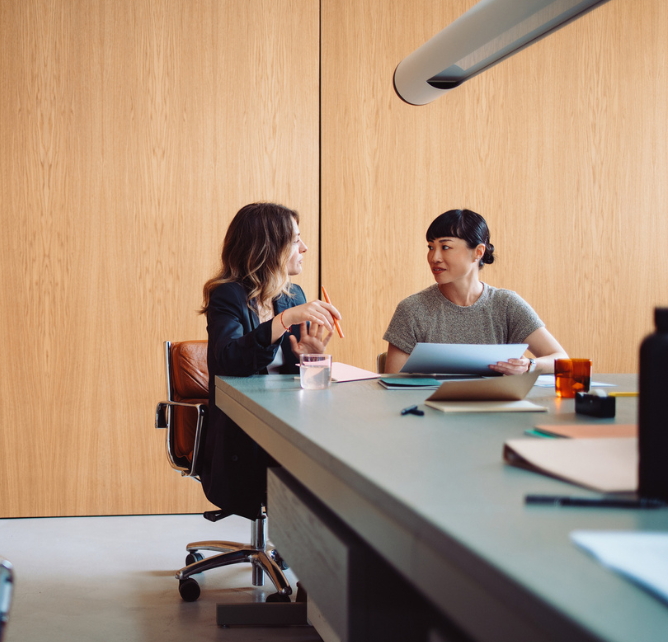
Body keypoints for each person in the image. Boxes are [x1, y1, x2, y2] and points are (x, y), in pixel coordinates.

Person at [199, 202, 341, 519]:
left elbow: (305, 387)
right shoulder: (227, 296)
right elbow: (229, 360)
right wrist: (282, 321)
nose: (304, 248)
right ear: (269, 247)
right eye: (295, 241)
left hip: (289, 425)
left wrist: (312, 360)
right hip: (244, 433)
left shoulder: (294, 296)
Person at [383, 208, 567, 375]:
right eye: (431, 247)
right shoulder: (411, 310)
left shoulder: (507, 304)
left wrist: (529, 365)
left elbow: (561, 359)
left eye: (445, 247)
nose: (434, 257)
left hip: (497, 409)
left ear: (478, 252)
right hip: (429, 409)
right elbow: (394, 383)